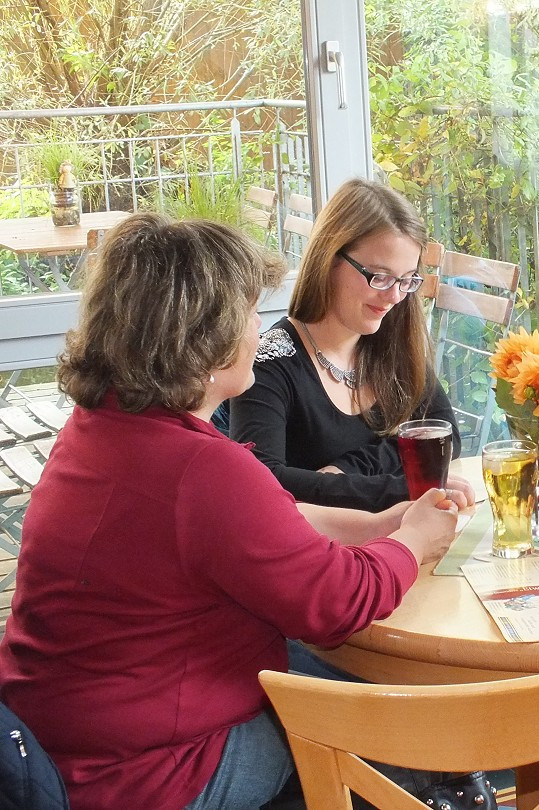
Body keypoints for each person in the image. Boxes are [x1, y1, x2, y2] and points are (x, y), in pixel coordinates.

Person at [0, 213, 469, 810]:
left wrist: (381, 526)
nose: (258, 327)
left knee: (359, 692)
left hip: (65, 734)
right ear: (203, 338)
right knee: (420, 742)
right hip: (150, 774)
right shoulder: (199, 470)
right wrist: (411, 542)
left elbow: (267, 520)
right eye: (248, 313)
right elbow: (338, 605)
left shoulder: (103, 428)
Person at [230, 178, 474, 511]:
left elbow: (445, 437)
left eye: (407, 280)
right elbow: (260, 480)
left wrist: (348, 469)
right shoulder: (271, 360)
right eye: (379, 276)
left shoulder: (392, 338)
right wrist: (399, 489)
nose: (394, 297)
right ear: (330, 260)